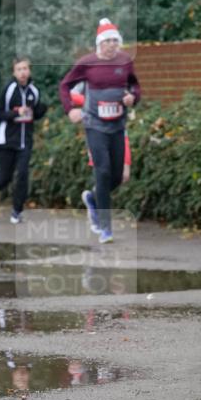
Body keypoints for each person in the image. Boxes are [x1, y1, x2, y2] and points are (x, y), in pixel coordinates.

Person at [59, 18, 141, 244]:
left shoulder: (125, 62)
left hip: (117, 125)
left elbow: (135, 85)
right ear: (100, 43)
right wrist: (70, 110)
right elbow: (65, 85)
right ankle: (105, 228)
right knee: (103, 172)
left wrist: (132, 97)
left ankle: (93, 198)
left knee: (116, 175)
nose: (113, 45)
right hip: (94, 125)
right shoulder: (87, 63)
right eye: (108, 41)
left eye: (116, 40)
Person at [0, 57, 47, 223]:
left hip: (25, 141)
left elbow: (34, 113)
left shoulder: (34, 91)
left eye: (25, 68)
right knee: (5, 175)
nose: (22, 72)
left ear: (30, 71)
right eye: (19, 69)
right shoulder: (9, 89)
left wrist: (41, 110)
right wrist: (16, 113)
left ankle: (17, 211)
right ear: (14, 72)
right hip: (6, 139)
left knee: (22, 174)